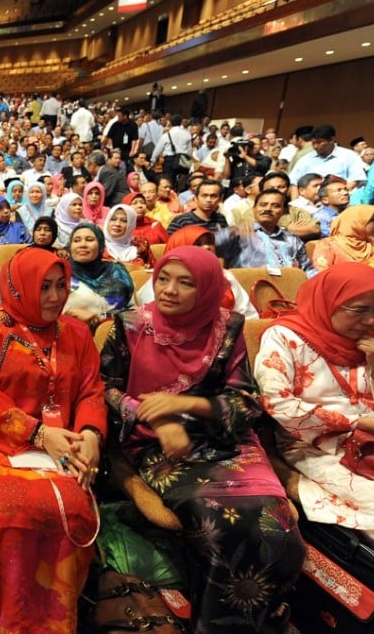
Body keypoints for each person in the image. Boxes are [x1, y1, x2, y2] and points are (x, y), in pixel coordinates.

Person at [99, 246, 305, 632]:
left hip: (224, 441)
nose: (169, 290)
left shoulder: (228, 328)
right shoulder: (129, 325)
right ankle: (213, 624)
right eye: (163, 279)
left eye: (185, 283)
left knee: (276, 523)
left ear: (208, 289)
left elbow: (245, 402)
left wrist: (189, 406)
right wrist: (151, 416)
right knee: (212, 519)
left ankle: (264, 619)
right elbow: (105, 388)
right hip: (156, 442)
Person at [0, 247, 106, 634]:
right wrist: (38, 434)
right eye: (43, 287)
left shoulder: (76, 333)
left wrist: (91, 435)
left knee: (70, 505)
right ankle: (9, 621)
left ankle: (51, 621)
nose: (54, 297)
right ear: (20, 286)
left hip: (64, 443)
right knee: (12, 511)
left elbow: (90, 392)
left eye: (61, 286)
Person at [255, 262, 374, 539]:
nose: (370, 320)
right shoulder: (284, 337)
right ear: (329, 302)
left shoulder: (368, 340)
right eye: (360, 310)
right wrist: (356, 422)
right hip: (313, 442)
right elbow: (276, 403)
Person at [64, 223, 134, 328]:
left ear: (101, 245)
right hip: (73, 335)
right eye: (76, 240)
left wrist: (108, 321)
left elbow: (135, 311)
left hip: (119, 335)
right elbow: (43, 313)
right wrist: (68, 314)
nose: (82, 244)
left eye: (89, 239)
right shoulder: (61, 274)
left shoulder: (118, 272)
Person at [311, 204, 374, 269]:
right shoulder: (327, 246)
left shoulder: (370, 245)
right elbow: (323, 275)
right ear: (356, 223)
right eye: (373, 220)